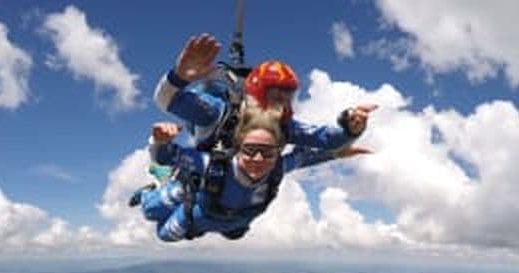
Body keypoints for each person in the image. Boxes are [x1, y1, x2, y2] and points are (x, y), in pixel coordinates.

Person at [135, 106, 369, 242]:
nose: (258, 159)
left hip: (216, 224)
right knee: (153, 211)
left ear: (278, 152)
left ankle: (170, 188)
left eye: (267, 152)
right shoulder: (211, 165)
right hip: (194, 210)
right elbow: (167, 155)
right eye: (250, 150)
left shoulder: (276, 169)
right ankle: (157, 185)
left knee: (167, 235)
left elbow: (305, 157)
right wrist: (159, 141)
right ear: (237, 148)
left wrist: (340, 150)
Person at [153, 33, 376, 151]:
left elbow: (328, 139)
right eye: (276, 94)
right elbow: (164, 100)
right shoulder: (215, 112)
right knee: (210, 93)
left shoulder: (284, 126)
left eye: (288, 94)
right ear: (257, 93)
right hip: (208, 138)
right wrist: (179, 76)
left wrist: (350, 126)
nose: (283, 102)